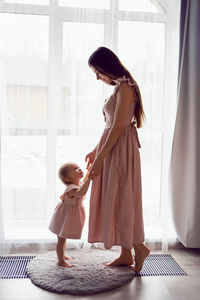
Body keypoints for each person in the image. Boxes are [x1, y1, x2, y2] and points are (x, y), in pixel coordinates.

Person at [85, 46, 150, 272]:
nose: (97, 77)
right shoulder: (120, 87)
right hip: (114, 147)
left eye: (98, 71)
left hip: (120, 150)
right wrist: (96, 150)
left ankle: (138, 248)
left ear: (107, 66)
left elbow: (119, 128)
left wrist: (100, 159)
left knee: (123, 199)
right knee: (119, 199)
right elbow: (111, 125)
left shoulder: (125, 88)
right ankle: (126, 253)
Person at [49, 162, 91, 268]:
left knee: (63, 238)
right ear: (68, 179)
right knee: (61, 239)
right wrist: (90, 179)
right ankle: (60, 260)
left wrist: (88, 174)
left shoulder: (78, 184)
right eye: (76, 169)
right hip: (64, 217)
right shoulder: (71, 189)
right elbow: (81, 192)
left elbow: (83, 182)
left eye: (78, 167)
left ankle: (62, 255)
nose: (79, 169)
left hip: (69, 216)